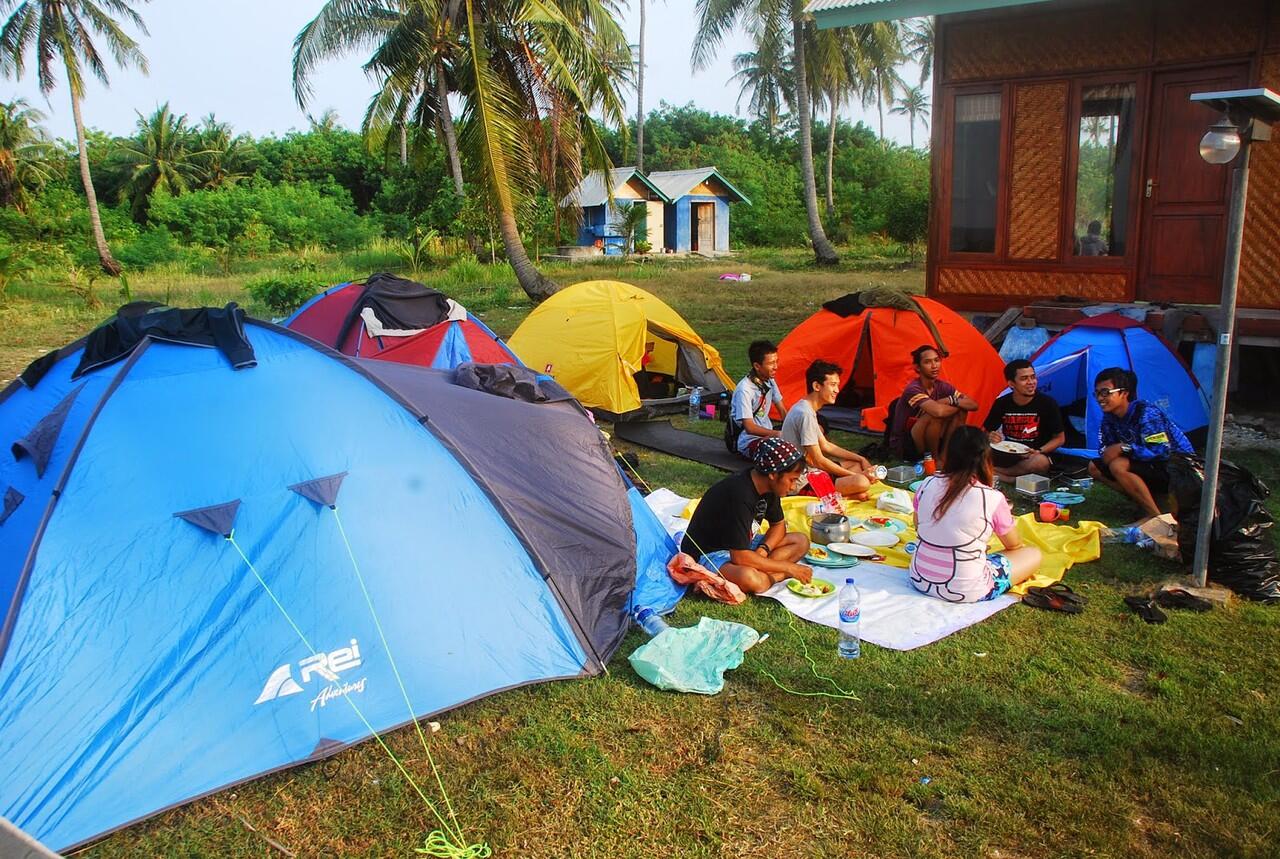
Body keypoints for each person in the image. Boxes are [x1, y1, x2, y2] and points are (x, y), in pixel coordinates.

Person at [910, 426, 1043, 603]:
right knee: (1033, 554)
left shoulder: (926, 484)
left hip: (919, 577)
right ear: (986, 458)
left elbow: (919, 526)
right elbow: (1014, 545)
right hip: (968, 589)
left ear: (947, 455)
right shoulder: (992, 498)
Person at [680, 438, 813, 594]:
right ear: (773, 474)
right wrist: (789, 568)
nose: (792, 487)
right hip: (709, 553)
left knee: (800, 541)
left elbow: (778, 525)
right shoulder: (739, 494)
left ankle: (765, 571)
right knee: (753, 580)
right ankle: (775, 576)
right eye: (792, 480)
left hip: (742, 546)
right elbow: (740, 557)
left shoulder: (769, 488)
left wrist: (763, 549)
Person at [1087, 367, 1193, 519]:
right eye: (1096, 393)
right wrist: (1107, 453)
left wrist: (1124, 448)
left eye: (1105, 392)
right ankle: (1144, 499)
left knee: (1119, 465)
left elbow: (1161, 450)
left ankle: (1155, 517)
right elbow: (1106, 446)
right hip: (1146, 463)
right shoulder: (1109, 417)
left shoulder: (1147, 414)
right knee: (1095, 467)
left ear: (1124, 393)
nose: (1099, 399)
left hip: (1177, 467)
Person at [781, 360, 879, 499]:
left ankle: (847, 494)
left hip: (812, 472)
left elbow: (826, 446)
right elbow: (818, 460)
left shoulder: (807, 408)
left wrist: (861, 458)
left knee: (856, 464)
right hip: (800, 481)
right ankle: (845, 496)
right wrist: (857, 476)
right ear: (816, 386)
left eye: (837, 385)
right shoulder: (805, 414)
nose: (837, 390)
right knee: (862, 482)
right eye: (833, 385)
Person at [890, 345, 979, 461]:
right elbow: (938, 412)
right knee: (935, 415)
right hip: (907, 444)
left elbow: (974, 405)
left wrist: (949, 400)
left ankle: (945, 456)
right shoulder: (913, 389)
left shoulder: (942, 386)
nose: (934, 366)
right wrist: (956, 404)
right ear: (918, 368)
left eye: (936, 360)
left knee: (961, 411)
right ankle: (934, 459)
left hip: (931, 437)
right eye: (927, 362)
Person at [983, 359, 1066, 480]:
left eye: (1033, 377)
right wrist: (990, 436)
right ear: (1011, 384)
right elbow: (986, 432)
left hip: (1033, 454)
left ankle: (999, 474)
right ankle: (1011, 477)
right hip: (1008, 453)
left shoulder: (1047, 403)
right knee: (976, 451)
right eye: (1024, 379)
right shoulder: (1002, 403)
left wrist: (1038, 451)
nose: (1031, 382)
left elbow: (1060, 438)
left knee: (1040, 462)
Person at [728, 339, 785, 459]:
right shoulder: (745, 389)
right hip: (749, 441)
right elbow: (750, 427)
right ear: (757, 366)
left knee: (815, 427)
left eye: (776, 362)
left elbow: (782, 411)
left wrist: (795, 427)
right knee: (781, 452)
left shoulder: (770, 381)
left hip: (769, 435)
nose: (776, 367)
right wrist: (778, 434)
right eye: (771, 363)